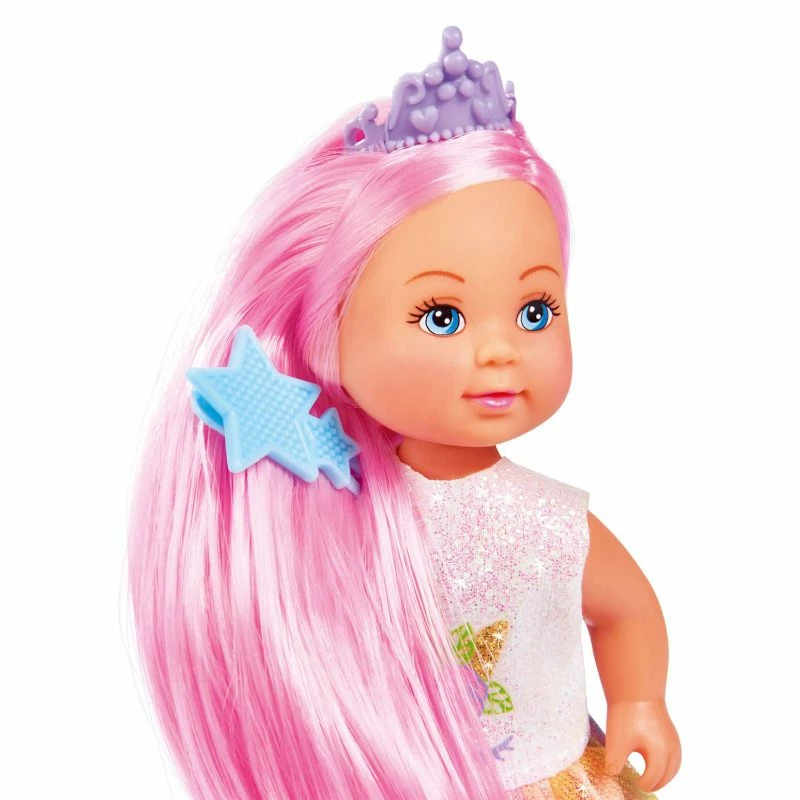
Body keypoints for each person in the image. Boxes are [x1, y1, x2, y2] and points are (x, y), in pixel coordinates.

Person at [128, 25, 681, 800]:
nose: (500, 351)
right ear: (329, 336)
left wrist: (639, 702)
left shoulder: (546, 519)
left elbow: (624, 610)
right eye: (442, 317)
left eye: (535, 311)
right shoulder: (329, 520)